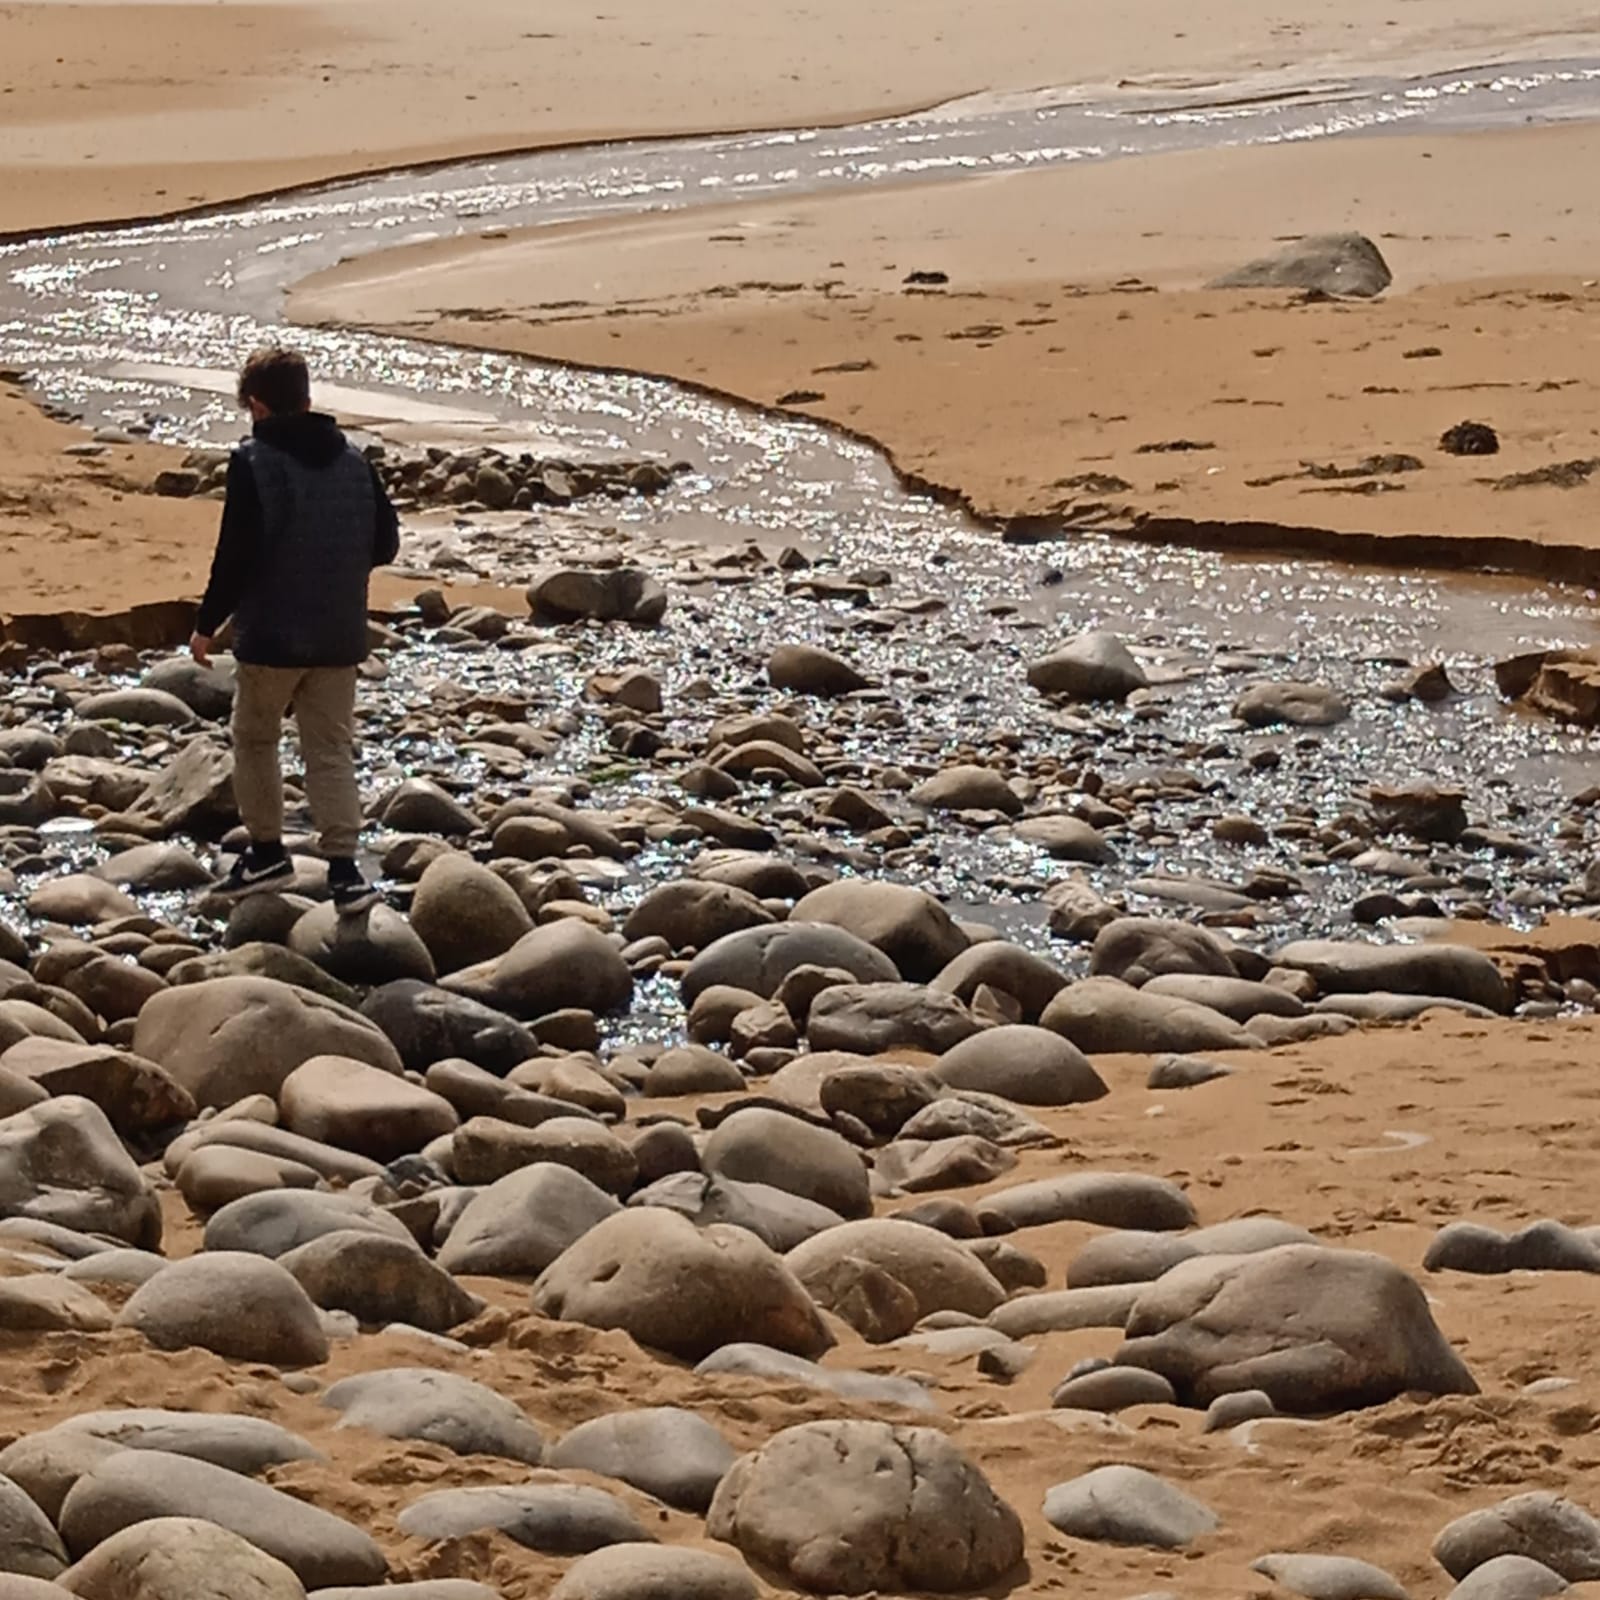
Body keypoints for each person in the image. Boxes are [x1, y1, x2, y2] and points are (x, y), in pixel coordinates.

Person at [191, 346, 399, 911]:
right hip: (338, 633)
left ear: (256, 405)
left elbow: (236, 554)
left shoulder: (254, 461)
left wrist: (206, 624)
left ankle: (266, 852)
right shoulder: (355, 461)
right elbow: (385, 544)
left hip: (273, 637)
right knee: (329, 748)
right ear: (307, 399)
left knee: (256, 738)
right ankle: (345, 870)